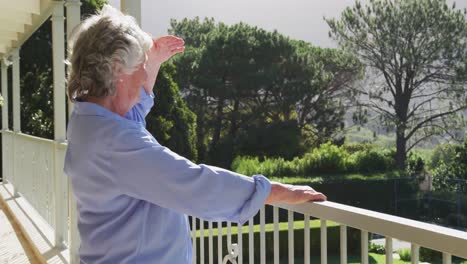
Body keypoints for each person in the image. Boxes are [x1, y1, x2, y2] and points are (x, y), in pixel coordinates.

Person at [64, 5, 326, 264]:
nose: (145, 74)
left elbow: (129, 113)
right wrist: (274, 192)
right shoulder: (115, 143)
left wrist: (152, 61)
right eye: (141, 66)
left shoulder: (88, 119)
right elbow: (196, 186)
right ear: (118, 70)